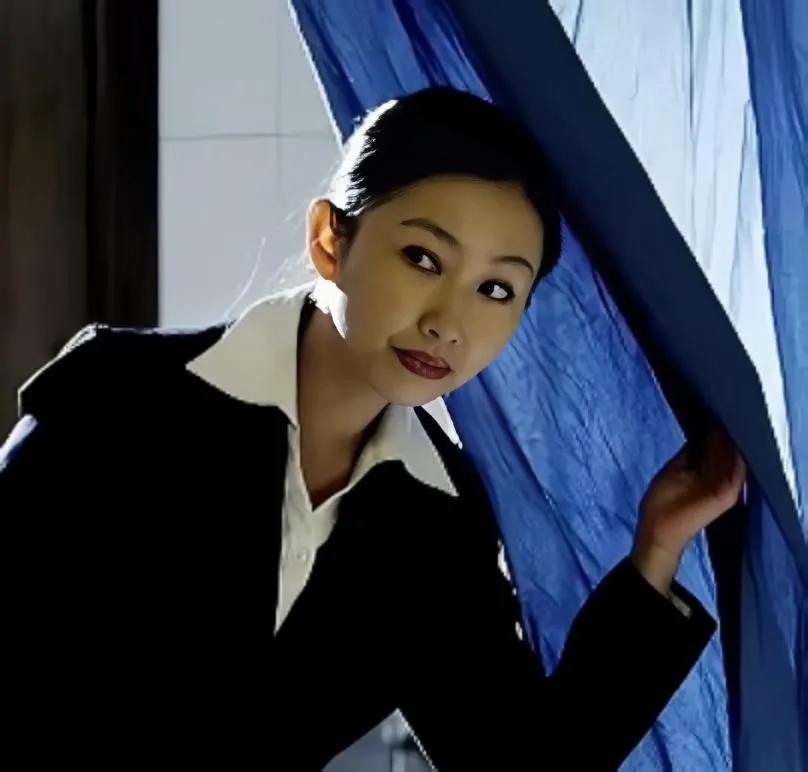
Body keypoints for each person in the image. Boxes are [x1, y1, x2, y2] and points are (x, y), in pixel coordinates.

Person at [1, 86, 745, 770]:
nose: (448, 322)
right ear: (332, 239)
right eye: (423, 258)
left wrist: (657, 549)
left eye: (496, 289)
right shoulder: (117, 399)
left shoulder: (439, 522)